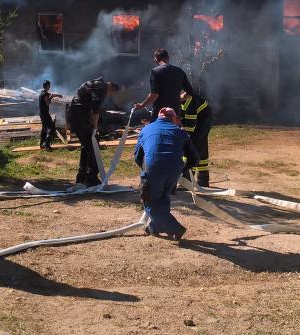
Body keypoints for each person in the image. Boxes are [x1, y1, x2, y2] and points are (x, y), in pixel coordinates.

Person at [134, 107, 198, 240]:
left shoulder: (146, 129)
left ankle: (175, 228)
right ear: (173, 118)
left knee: (149, 201)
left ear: (158, 117)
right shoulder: (180, 132)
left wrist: (146, 169)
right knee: (163, 197)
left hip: (153, 168)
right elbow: (194, 157)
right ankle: (154, 227)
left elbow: (137, 156)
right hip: (174, 170)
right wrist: (183, 169)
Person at [66, 77, 120, 186]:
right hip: (80, 117)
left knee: (86, 147)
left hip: (74, 116)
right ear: (112, 89)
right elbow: (96, 110)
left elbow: (87, 104)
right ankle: (91, 178)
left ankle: (82, 177)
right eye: (112, 94)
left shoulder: (95, 84)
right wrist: (95, 128)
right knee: (93, 147)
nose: (109, 95)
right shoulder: (102, 88)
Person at [134, 48, 194, 121]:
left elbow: (154, 95)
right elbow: (190, 93)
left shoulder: (155, 71)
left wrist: (142, 105)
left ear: (156, 59)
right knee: (173, 131)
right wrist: (178, 98)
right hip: (175, 113)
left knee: (157, 131)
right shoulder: (179, 71)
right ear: (168, 58)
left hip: (160, 113)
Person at [180, 90, 213, 187]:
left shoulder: (190, 103)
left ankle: (187, 182)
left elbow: (189, 128)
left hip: (203, 121)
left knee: (192, 146)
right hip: (196, 120)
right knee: (200, 149)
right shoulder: (178, 101)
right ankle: (203, 181)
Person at [39, 80, 62, 150]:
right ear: (47, 86)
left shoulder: (42, 92)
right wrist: (51, 97)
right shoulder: (45, 94)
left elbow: (51, 94)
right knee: (51, 128)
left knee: (44, 129)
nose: (50, 86)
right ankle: (47, 144)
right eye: (49, 85)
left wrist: (58, 95)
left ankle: (41, 144)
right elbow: (48, 103)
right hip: (45, 114)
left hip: (42, 114)